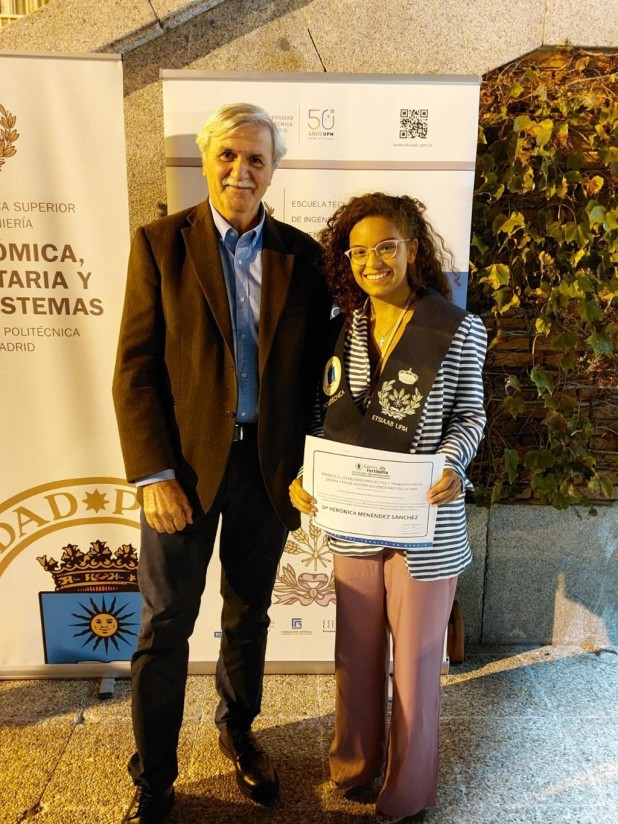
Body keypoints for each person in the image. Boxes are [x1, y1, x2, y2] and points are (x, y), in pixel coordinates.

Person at [112, 102, 330, 824]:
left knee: (249, 615)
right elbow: (135, 370)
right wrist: (153, 475)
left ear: (274, 169)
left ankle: (239, 732)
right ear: (207, 160)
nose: (242, 171)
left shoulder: (303, 256)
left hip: (267, 472)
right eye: (229, 156)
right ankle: (155, 774)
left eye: (257, 159)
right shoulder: (159, 245)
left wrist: (314, 469)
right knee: (164, 624)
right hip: (181, 473)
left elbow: (317, 376)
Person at [289, 193, 486, 823]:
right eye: (360, 250)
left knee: (418, 667)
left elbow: (470, 415)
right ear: (348, 261)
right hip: (353, 521)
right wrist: (305, 474)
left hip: (427, 525)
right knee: (356, 653)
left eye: (387, 247)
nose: (373, 260)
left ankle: (407, 789)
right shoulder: (339, 330)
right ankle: (354, 765)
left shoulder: (455, 327)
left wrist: (454, 464)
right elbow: (321, 420)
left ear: (412, 250)